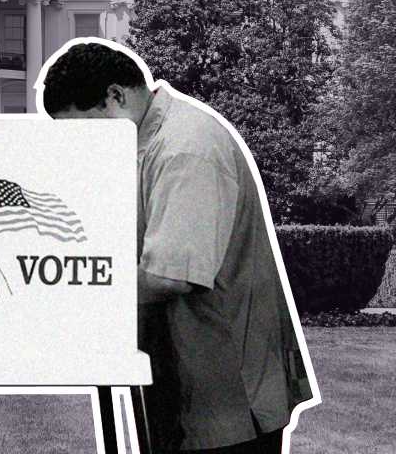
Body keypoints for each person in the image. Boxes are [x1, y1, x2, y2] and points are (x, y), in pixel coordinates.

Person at [39, 41, 312, 454]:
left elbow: (171, 275)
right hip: (194, 387)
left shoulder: (186, 148)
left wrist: (62, 292)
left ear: (116, 95)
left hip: (226, 395)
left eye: (84, 128)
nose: (82, 147)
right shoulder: (150, 142)